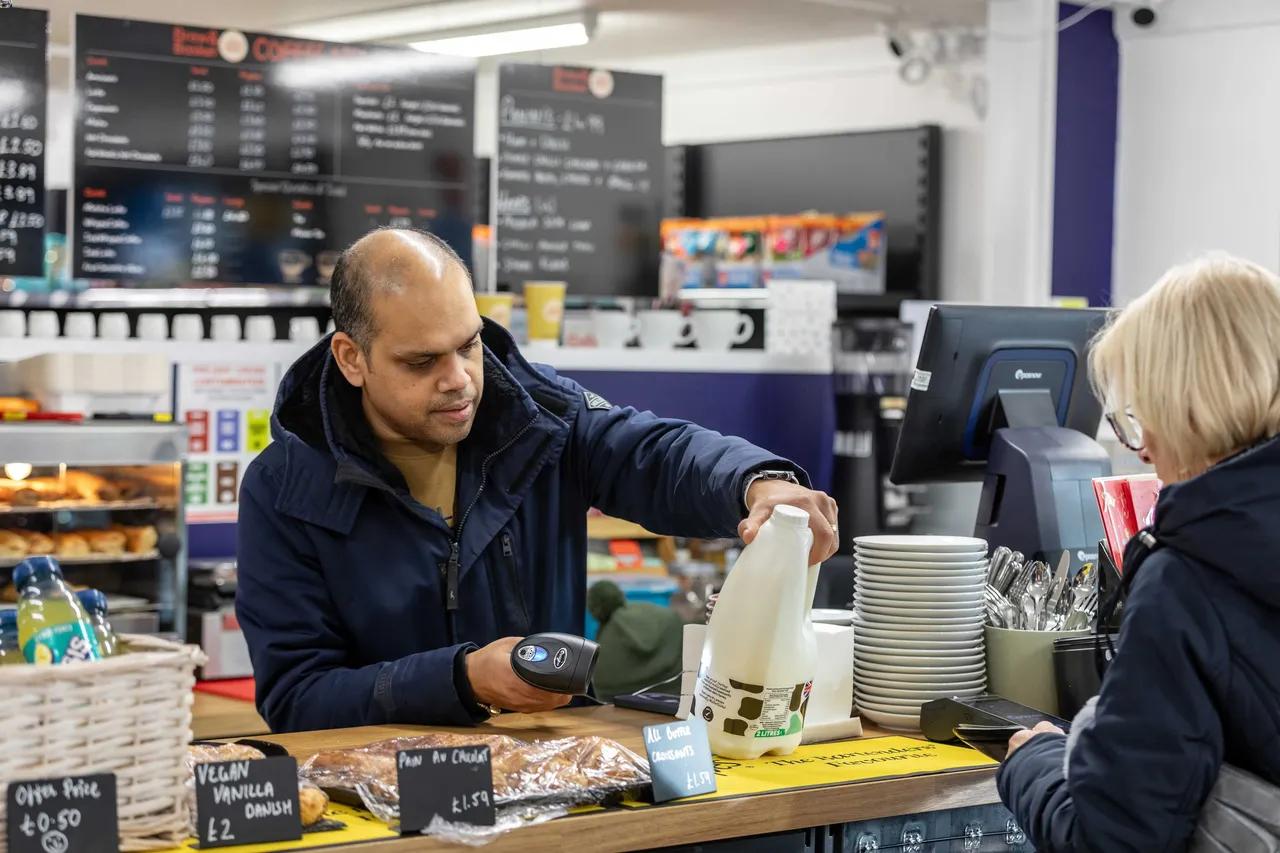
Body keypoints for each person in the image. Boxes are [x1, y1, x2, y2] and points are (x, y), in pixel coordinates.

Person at [236, 228, 839, 733]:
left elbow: (656, 454)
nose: (460, 380)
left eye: (469, 344)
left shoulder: (544, 421)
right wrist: (462, 681)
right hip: (385, 807)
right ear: (351, 358)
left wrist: (757, 481)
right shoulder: (284, 489)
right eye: (422, 361)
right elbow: (298, 699)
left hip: (556, 779)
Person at [997, 252, 1280, 851]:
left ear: (1191, 412)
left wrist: (1034, 760)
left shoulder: (1191, 577)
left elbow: (1110, 839)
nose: (1143, 450)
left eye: (1142, 417)